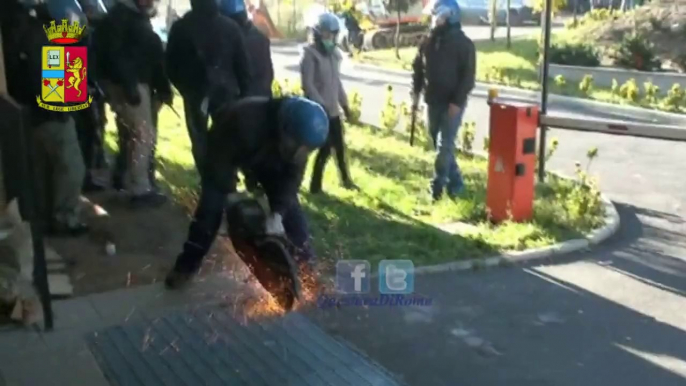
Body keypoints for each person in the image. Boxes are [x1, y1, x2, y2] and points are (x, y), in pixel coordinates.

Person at [164, 96, 329, 289]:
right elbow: (219, 166)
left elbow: (289, 182)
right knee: (210, 212)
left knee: (292, 214)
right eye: (299, 147)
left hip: (267, 155)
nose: (303, 153)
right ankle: (185, 267)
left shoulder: (299, 140)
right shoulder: (243, 122)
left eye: (307, 150)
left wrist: (277, 214)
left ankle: (308, 271)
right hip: (225, 149)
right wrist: (230, 193)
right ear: (285, 129)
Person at [2, 0, 89, 236]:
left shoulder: (26, 28)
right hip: (51, 113)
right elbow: (56, 82)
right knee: (72, 167)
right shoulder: (46, 37)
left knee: (43, 168)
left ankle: (44, 217)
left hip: (32, 112)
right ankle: (64, 219)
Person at [92, 0, 172, 208]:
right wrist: (129, 86)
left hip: (130, 84)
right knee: (142, 135)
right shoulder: (121, 19)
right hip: (130, 85)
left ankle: (126, 177)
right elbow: (115, 56)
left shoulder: (129, 17)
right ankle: (139, 189)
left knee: (131, 134)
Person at [165, 0, 251, 177]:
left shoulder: (181, 27)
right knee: (226, 137)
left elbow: (170, 65)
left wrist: (183, 87)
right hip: (225, 93)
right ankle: (226, 177)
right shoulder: (230, 27)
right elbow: (243, 66)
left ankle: (208, 179)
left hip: (196, 93)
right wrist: (244, 93)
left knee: (200, 139)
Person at [411, 0, 475, 201]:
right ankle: (456, 184)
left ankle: (437, 187)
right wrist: (415, 95)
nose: (435, 20)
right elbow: (418, 70)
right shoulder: (428, 41)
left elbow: (468, 77)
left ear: (451, 16)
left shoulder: (464, 44)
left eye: (439, 16)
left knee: (444, 145)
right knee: (440, 145)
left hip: (452, 103)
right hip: (433, 101)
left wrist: (457, 102)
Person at [300, 12, 357, 194]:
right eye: (326, 34)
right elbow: (307, 84)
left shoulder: (334, 56)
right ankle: (314, 186)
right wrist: (320, 105)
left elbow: (336, 83)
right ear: (317, 34)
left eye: (332, 35)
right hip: (317, 112)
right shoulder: (309, 55)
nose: (330, 39)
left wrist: (345, 105)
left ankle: (346, 180)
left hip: (333, 111)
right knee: (323, 149)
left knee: (339, 147)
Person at [219, 0, 274, 97]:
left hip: (242, 103)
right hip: (264, 97)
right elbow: (268, 74)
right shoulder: (260, 37)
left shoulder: (230, 41)